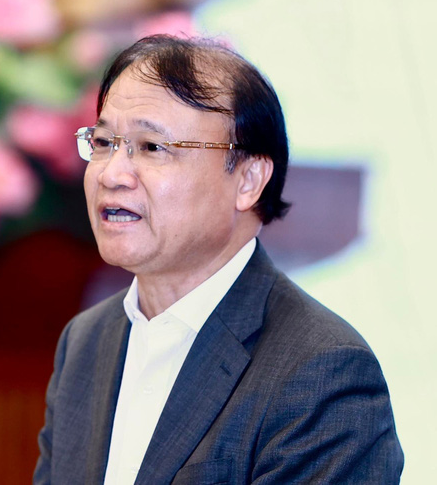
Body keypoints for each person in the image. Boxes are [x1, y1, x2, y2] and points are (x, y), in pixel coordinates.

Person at [33, 35, 403, 484]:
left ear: (248, 180)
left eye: (152, 147)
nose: (112, 174)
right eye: (104, 141)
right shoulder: (86, 340)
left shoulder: (322, 373)